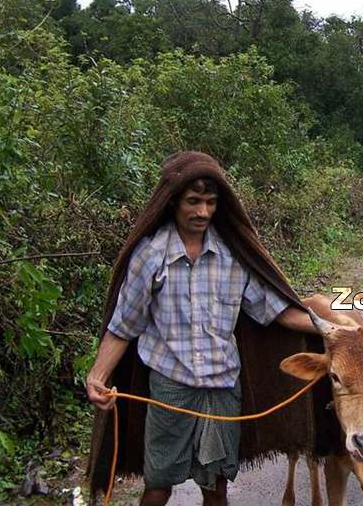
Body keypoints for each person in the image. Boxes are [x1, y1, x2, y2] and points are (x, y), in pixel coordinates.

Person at [85, 151, 333, 506]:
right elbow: (124, 324)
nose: (202, 212)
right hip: (170, 388)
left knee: (216, 488)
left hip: (221, 389)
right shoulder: (151, 255)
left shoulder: (232, 256)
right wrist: (98, 374)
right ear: (172, 202)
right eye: (194, 202)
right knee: (158, 487)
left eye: (211, 203)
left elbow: (275, 310)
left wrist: (331, 326)